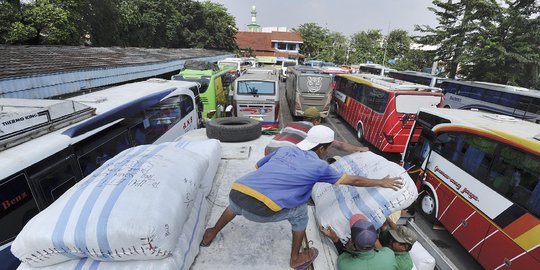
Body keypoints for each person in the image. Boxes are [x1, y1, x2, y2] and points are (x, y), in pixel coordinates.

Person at [200, 125, 402, 270]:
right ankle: (295, 259)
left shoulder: (286, 150)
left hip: (237, 191)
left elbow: (259, 167)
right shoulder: (320, 166)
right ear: (322, 149)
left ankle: (211, 233)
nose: (328, 151)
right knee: (300, 213)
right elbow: (354, 181)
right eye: (328, 148)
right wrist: (381, 182)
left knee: (237, 201)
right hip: (259, 210)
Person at [264, 106, 369, 155]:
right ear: (316, 120)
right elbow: (340, 145)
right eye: (320, 120)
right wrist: (359, 148)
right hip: (283, 157)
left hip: (268, 151)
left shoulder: (290, 124)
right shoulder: (315, 132)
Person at [320, 214, 397, 270]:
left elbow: (344, 256)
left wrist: (336, 240)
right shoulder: (389, 254)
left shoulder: (345, 265)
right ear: (376, 238)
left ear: (352, 241)